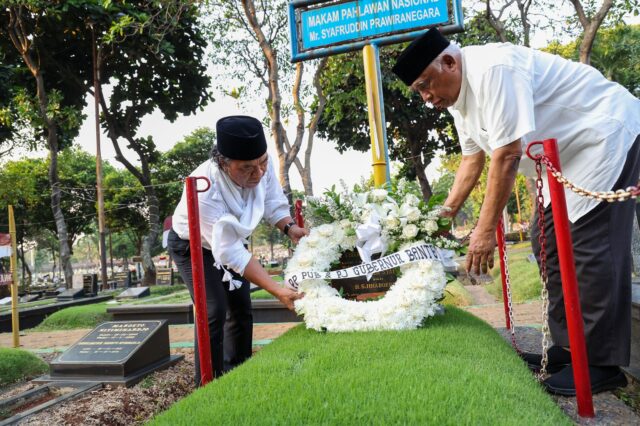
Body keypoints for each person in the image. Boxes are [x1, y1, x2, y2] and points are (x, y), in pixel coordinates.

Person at [392, 28, 640, 396]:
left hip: (603, 135)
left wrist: (483, 233)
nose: (428, 98)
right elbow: (472, 160)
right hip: (565, 159)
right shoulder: (459, 100)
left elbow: (506, 155)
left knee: (590, 247)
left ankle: (601, 364)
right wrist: (439, 219)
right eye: (419, 92)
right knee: (546, 246)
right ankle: (570, 346)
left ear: (449, 62)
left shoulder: (494, 70)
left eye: (427, 85)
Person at [168, 115, 307, 385]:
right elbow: (231, 252)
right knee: (213, 310)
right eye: (247, 169)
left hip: (229, 241)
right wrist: (277, 289)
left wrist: (290, 228)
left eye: (263, 163)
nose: (258, 173)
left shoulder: (259, 168)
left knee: (241, 309)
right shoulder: (205, 187)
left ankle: (238, 376)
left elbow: (273, 203)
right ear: (223, 162)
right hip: (193, 245)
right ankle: (208, 384)